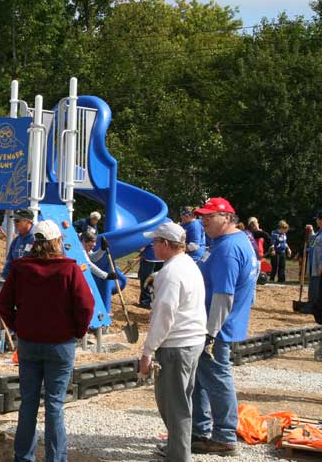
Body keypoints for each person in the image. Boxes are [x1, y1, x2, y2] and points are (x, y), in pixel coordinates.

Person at [0, 220, 94, 462]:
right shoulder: (69, 270)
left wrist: (18, 326)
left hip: (29, 342)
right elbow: (85, 305)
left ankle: (23, 456)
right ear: (58, 242)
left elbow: (3, 303)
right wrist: (78, 332)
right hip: (60, 344)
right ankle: (55, 458)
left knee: (28, 403)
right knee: (54, 405)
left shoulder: (21, 268)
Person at [191, 197, 258, 456]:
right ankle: (200, 429)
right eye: (202, 216)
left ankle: (224, 436)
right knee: (204, 377)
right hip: (222, 325)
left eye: (210, 216)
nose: (204, 220)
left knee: (217, 379)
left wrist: (210, 333)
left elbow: (223, 296)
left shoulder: (228, 249)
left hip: (217, 327)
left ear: (228, 218)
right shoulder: (233, 242)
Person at [138, 222, 207, 461]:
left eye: (155, 242)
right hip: (192, 340)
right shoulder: (188, 264)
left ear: (165, 244)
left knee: (173, 403)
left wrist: (148, 351)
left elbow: (163, 316)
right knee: (182, 399)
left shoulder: (170, 273)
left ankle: (179, 456)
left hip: (177, 344)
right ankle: (178, 449)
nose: (152, 246)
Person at [0, 209, 36, 280]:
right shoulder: (16, 240)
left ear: (28, 222)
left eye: (17, 221)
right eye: (14, 220)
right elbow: (9, 262)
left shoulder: (37, 239)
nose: (15, 223)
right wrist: (6, 278)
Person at [137, 241, 163, 309]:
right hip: (161, 258)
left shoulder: (148, 233)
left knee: (146, 280)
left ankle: (145, 302)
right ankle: (155, 301)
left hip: (149, 258)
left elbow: (141, 248)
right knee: (158, 281)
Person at [305, 211, 322, 313]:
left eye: (317, 219)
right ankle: (311, 304)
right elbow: (312, 243)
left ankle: (315, 306)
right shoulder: (320, 232)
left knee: (317, 287)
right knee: (313, 285)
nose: (316, 220)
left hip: (319, 265)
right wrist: (311, 232)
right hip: (314, 264)